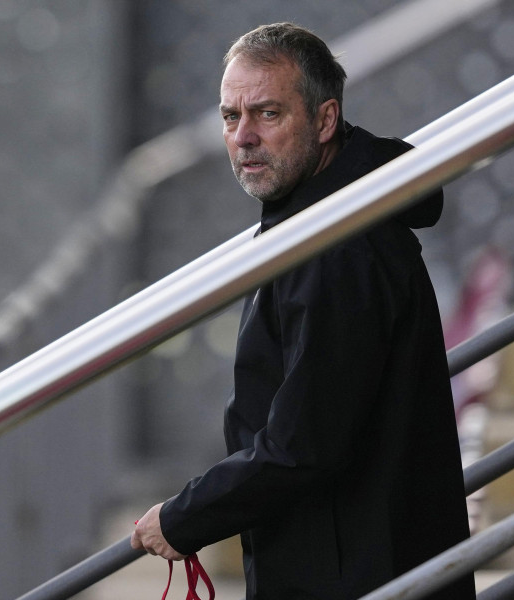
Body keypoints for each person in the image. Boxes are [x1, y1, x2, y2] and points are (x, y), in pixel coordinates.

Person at [132, 22, 475, 600]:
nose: (243, 136)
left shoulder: (339, 247)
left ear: (324, 120)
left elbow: (305, 444)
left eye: (267, 114)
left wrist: (184, 516)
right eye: (229, 117)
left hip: (358, 572)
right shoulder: (315, 219)